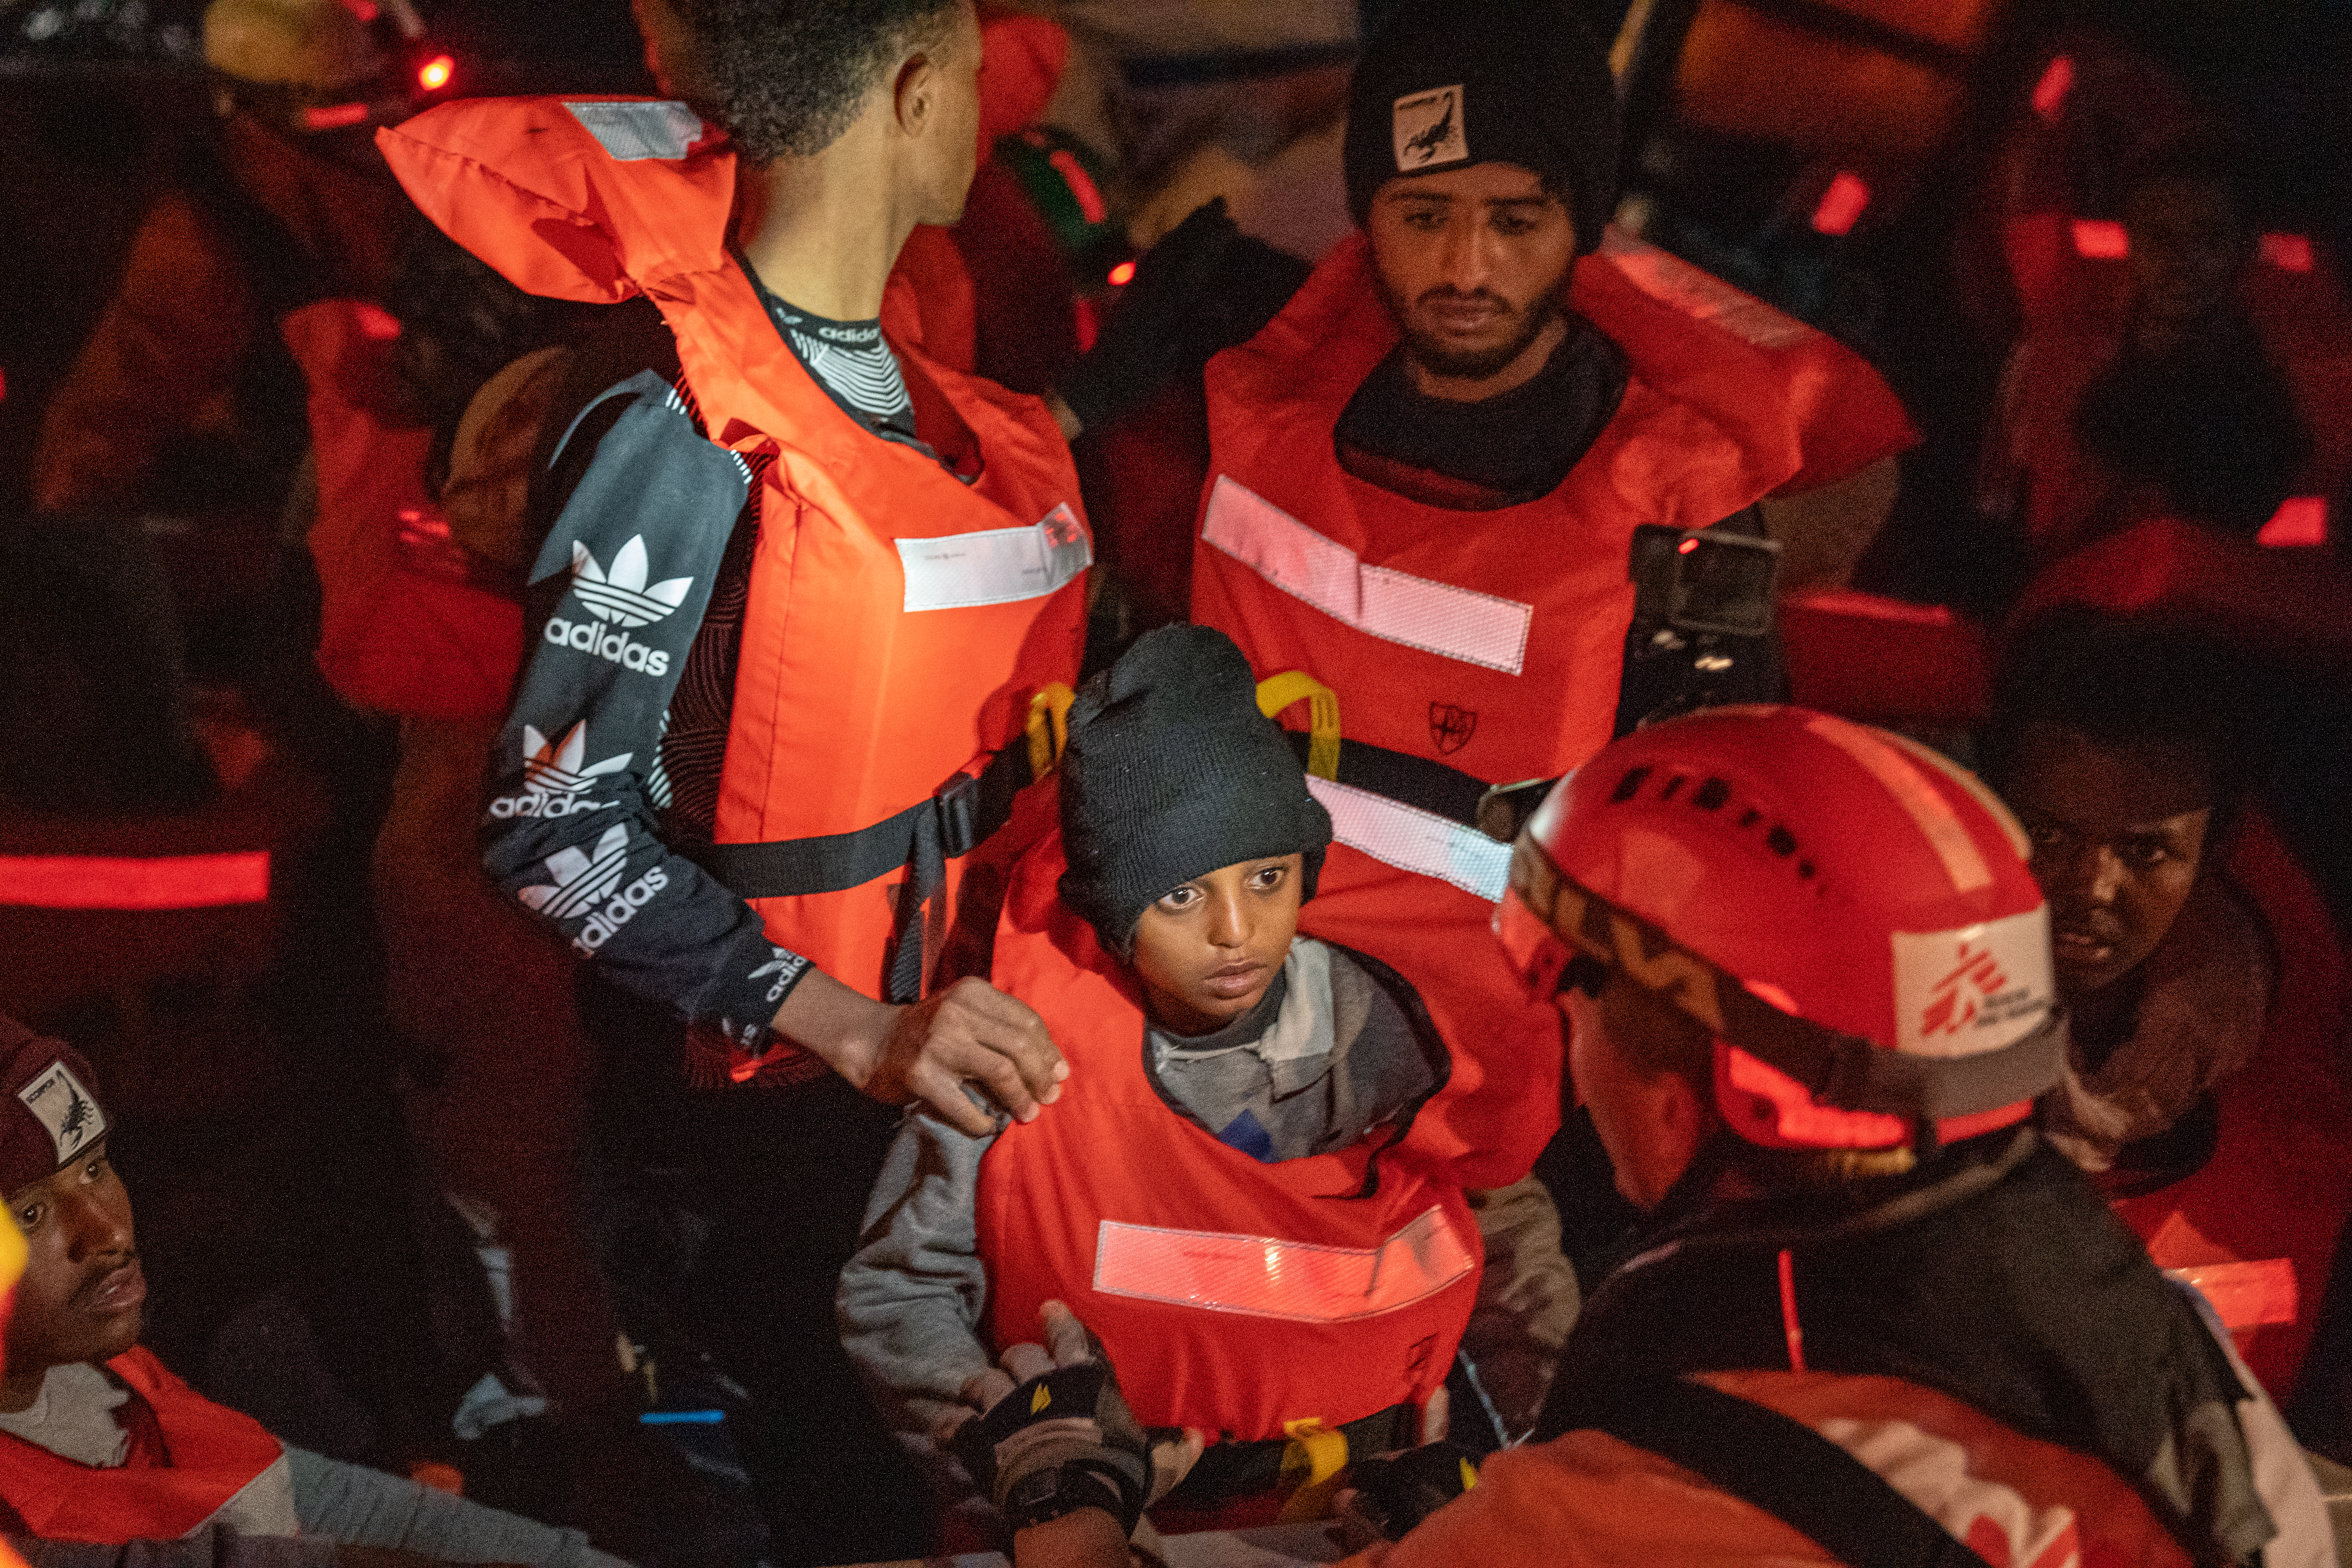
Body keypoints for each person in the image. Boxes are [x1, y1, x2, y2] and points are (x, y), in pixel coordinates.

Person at [370, 2, 1088, 1557]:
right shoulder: (675, 417)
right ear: (913, 94)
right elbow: (554, 830)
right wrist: (857, 1029)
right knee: (856, 1505)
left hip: (943, 1094)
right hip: (772, 1125)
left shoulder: (918, 395)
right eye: (970, 80)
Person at [1349, 705, 2331, 1566]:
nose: (1567, 1046)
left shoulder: (1636, 1498)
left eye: (1572, 992)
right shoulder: (2178, 1371)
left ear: (1699, 1083)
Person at [840, 625, 1540, 1540]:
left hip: (1369, 1527)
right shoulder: (1016, 1057)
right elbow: (897, 1292)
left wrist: (1537, 1447)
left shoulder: (1401, 1041)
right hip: (1109, 1533)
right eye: (1179, 895)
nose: (1235, 929)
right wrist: (1026, 1473)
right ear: (1113, 906)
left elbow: (1511, 1233)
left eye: (1267, 876)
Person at [0, 1015, 622, 1568]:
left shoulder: (95, 1364)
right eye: (30, 1215)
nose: (107, 1231)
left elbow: (325, 1498)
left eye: (94, 1166)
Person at [1985, 610, 2352, 1398]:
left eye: (2144, 849)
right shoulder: (1879, 1037)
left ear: (2215, 854)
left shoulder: (2301, 1075)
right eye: (2048, 835)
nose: (2089, 887)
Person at [32, 0, 418, 522]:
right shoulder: (217, 240)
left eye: (380, 92)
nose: (382, 121)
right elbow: (96, 441)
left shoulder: (379, 202)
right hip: (298, 537)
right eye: (353, 102)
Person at [1980, 134, 2323, 568]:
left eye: (2207, 238)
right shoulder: (2054, 354)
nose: (2180, 258)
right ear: (2133, 244)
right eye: (2159, 236)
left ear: (2242, 249)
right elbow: (2001, 508)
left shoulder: (2265, 402)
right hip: (2054, 591)